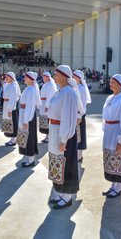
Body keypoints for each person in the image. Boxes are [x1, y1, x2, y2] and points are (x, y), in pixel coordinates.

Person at [47, 65, 81, 209]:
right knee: (57, 161)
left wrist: (63, 139)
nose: (54, 76)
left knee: (65, 163)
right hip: (56, 129)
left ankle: (67, 197)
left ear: (64, 76)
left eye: (56, 74)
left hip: (63, 132)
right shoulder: (60, 91)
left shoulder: (69, 93)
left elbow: (68, 118)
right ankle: (61, 193)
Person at [101, 74, 121, 199]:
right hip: (109, 131)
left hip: (117, 131)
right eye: (110, 81)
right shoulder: (109, 98)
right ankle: (112, 185)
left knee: (118, 159)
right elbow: (104, 115)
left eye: (113, 82)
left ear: (120, 85)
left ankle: (118, 188)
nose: (110, 84)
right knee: (110, 158)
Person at [18, 71, 40, 167]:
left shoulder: (31, 90)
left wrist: (26, 120)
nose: (24, 79)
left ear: (31, 79)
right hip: (25, 114)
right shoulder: (29, 89)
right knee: (26, 136)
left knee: (29, 137)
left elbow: (30, 107)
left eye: (26, 77)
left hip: (28, 117)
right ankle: (28, 158)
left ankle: (31, 160)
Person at [73, 70, 92, 163]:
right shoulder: (75, 87)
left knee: (80, 136)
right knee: (76, 136)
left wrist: (79, 115)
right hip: (74, 116)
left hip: (79, 116)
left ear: (79, 78)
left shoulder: (81, 88)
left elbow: (83, 103)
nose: (72, 77)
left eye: (74, 76)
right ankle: (76, 154)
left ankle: (79, 156)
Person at [2, 72, 21, 146]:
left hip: (11, 107)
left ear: (11, 78)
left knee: (13, 122)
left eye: (8, 76)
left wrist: (10, 110)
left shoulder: (13, 86)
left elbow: (13, 99)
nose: (6, 77)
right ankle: (12, 139)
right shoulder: (9, 85)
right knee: (11, 122)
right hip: (7, 105)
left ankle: (13, 140)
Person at [39, 72, 57, 143]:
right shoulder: (46, 84)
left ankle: (49, 137)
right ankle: (47, 136)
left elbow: (50, 96)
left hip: (47, 104)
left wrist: (47, 105)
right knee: (46, 121)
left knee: (48, 121)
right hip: (43, 103)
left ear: (47, 77)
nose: (43, 78)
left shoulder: (51, 85)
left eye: (44, 77)